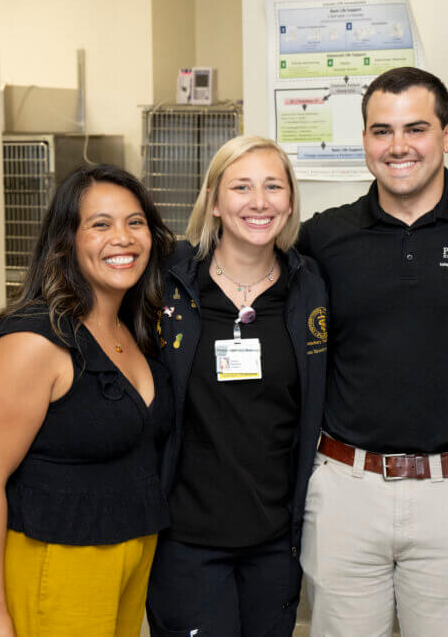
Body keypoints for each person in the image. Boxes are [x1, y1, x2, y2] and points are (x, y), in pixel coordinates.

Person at [296, 66, 448, 636]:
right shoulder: (324, 237)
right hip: (346, 490)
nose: (398, 147)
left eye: (416, 129)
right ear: (365, 140)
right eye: (381, 131)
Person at [0, 164, 175, 637]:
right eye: (100, 224)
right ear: (67, 242)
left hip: (128, 554)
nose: (123, 238)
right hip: (54, 560)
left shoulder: (133, 327)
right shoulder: (35, 342)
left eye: (134, 222)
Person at [145, 135, 327, 636]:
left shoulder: (308, 285)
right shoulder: (168, 282)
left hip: (274, 537)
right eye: (241, 186)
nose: (259, 202)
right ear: (214, 200)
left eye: (273, 186)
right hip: (186, 538)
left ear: (290, 200)